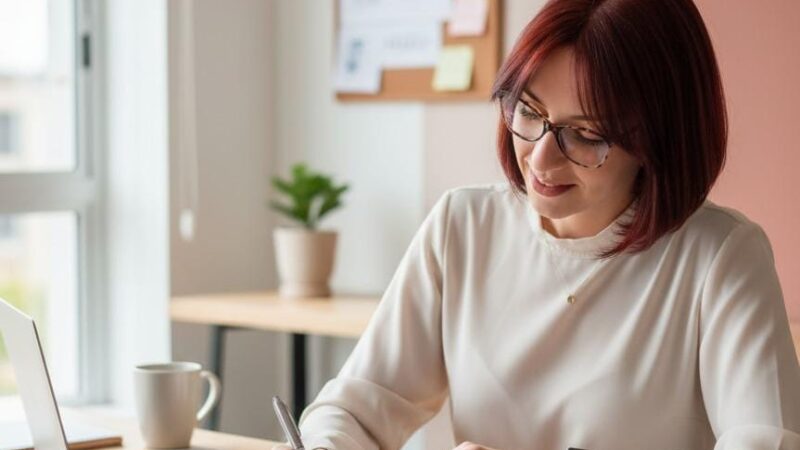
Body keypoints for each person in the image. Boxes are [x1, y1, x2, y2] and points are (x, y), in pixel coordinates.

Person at [274, 0, 800, 448]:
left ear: (660, 140)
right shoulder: (464, 227)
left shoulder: (720, 257)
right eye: (528, 111)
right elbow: (354, 408)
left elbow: (765, 437)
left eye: (587, 133)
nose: (541, 160)